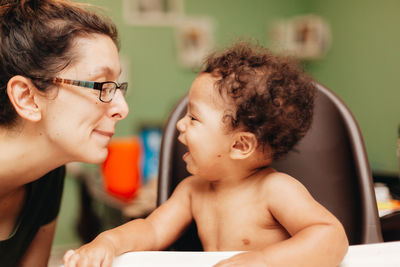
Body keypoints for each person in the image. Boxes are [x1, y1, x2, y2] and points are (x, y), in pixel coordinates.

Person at [63, 42, 348, 267]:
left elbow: (331, 237)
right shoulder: (193, 191)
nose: (179, 124)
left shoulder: (275, 190)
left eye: (194, 118)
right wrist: (109, 242)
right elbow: (151, 231)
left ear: (239, 145)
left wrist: (264, 261)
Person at [0, 0, 129, 266]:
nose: (122, 108)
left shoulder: (47, 174)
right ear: (27, 98)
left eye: (117, 87)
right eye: (101, 85)